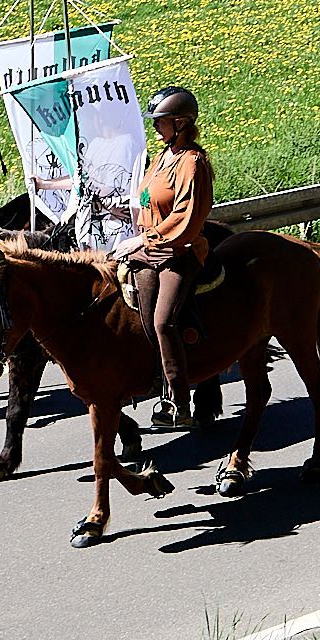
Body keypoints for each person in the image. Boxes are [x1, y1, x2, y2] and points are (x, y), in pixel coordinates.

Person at [113, 86, 215, 432]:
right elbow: (148, 202)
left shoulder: (192, 162)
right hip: (149, 250)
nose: (156, 127)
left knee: (162, 321)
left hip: (179, 252)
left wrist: (144, 238)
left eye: (162, 121)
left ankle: (178, 400)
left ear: (181, 122)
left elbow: (187, 217)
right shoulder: (161, 158)